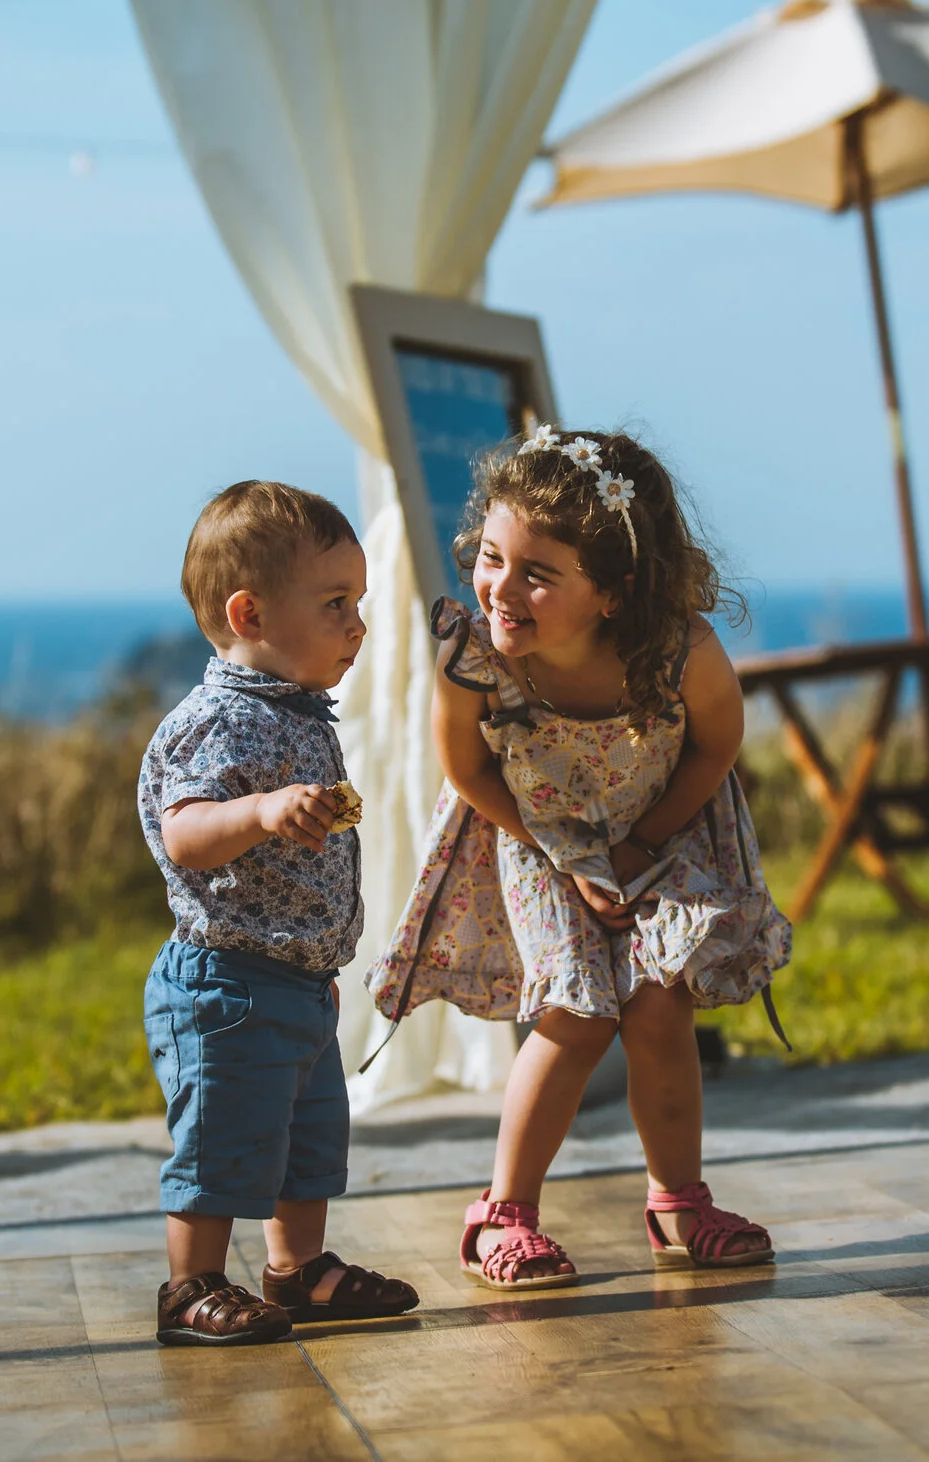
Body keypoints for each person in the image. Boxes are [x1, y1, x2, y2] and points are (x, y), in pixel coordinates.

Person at [368, 429, 794, 1289]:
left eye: (538, 573)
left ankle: (679, 1200)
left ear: (613, 592)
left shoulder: (680, 651)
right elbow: (468, 768)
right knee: (576, 1012)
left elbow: (716, 748)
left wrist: (639, 846)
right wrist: (565, 858)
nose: (501, 588)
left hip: (660, 832)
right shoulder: (474, 656)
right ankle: (503, 1214)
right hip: (533, 836)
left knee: (658, 1007)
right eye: (492, 556)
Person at [138, 481, 419, 1346]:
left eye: (359, 603)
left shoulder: (293, 712)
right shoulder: (221, 719)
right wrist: (261, 811)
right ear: (249, 611)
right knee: (224, 1138)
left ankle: (298, 1270)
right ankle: (191, 1286)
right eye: (336, 603)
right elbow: (184, 832)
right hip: (225, 984)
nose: (357, 625)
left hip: (294, 981)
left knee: (305, 1140)